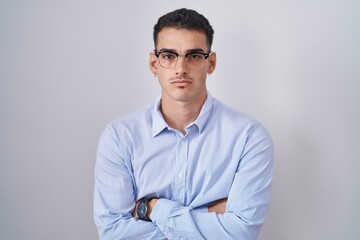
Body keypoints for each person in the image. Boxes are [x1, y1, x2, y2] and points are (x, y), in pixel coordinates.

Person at [94, 8, 274, 240]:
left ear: (211, 63)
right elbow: (113, 233)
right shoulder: (120, 137)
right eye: (169, 55)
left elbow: (241, 232)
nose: (181, 68)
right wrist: (209, 213)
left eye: (194, 56)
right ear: (153, 64)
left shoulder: (249, 137)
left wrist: (152, 209)